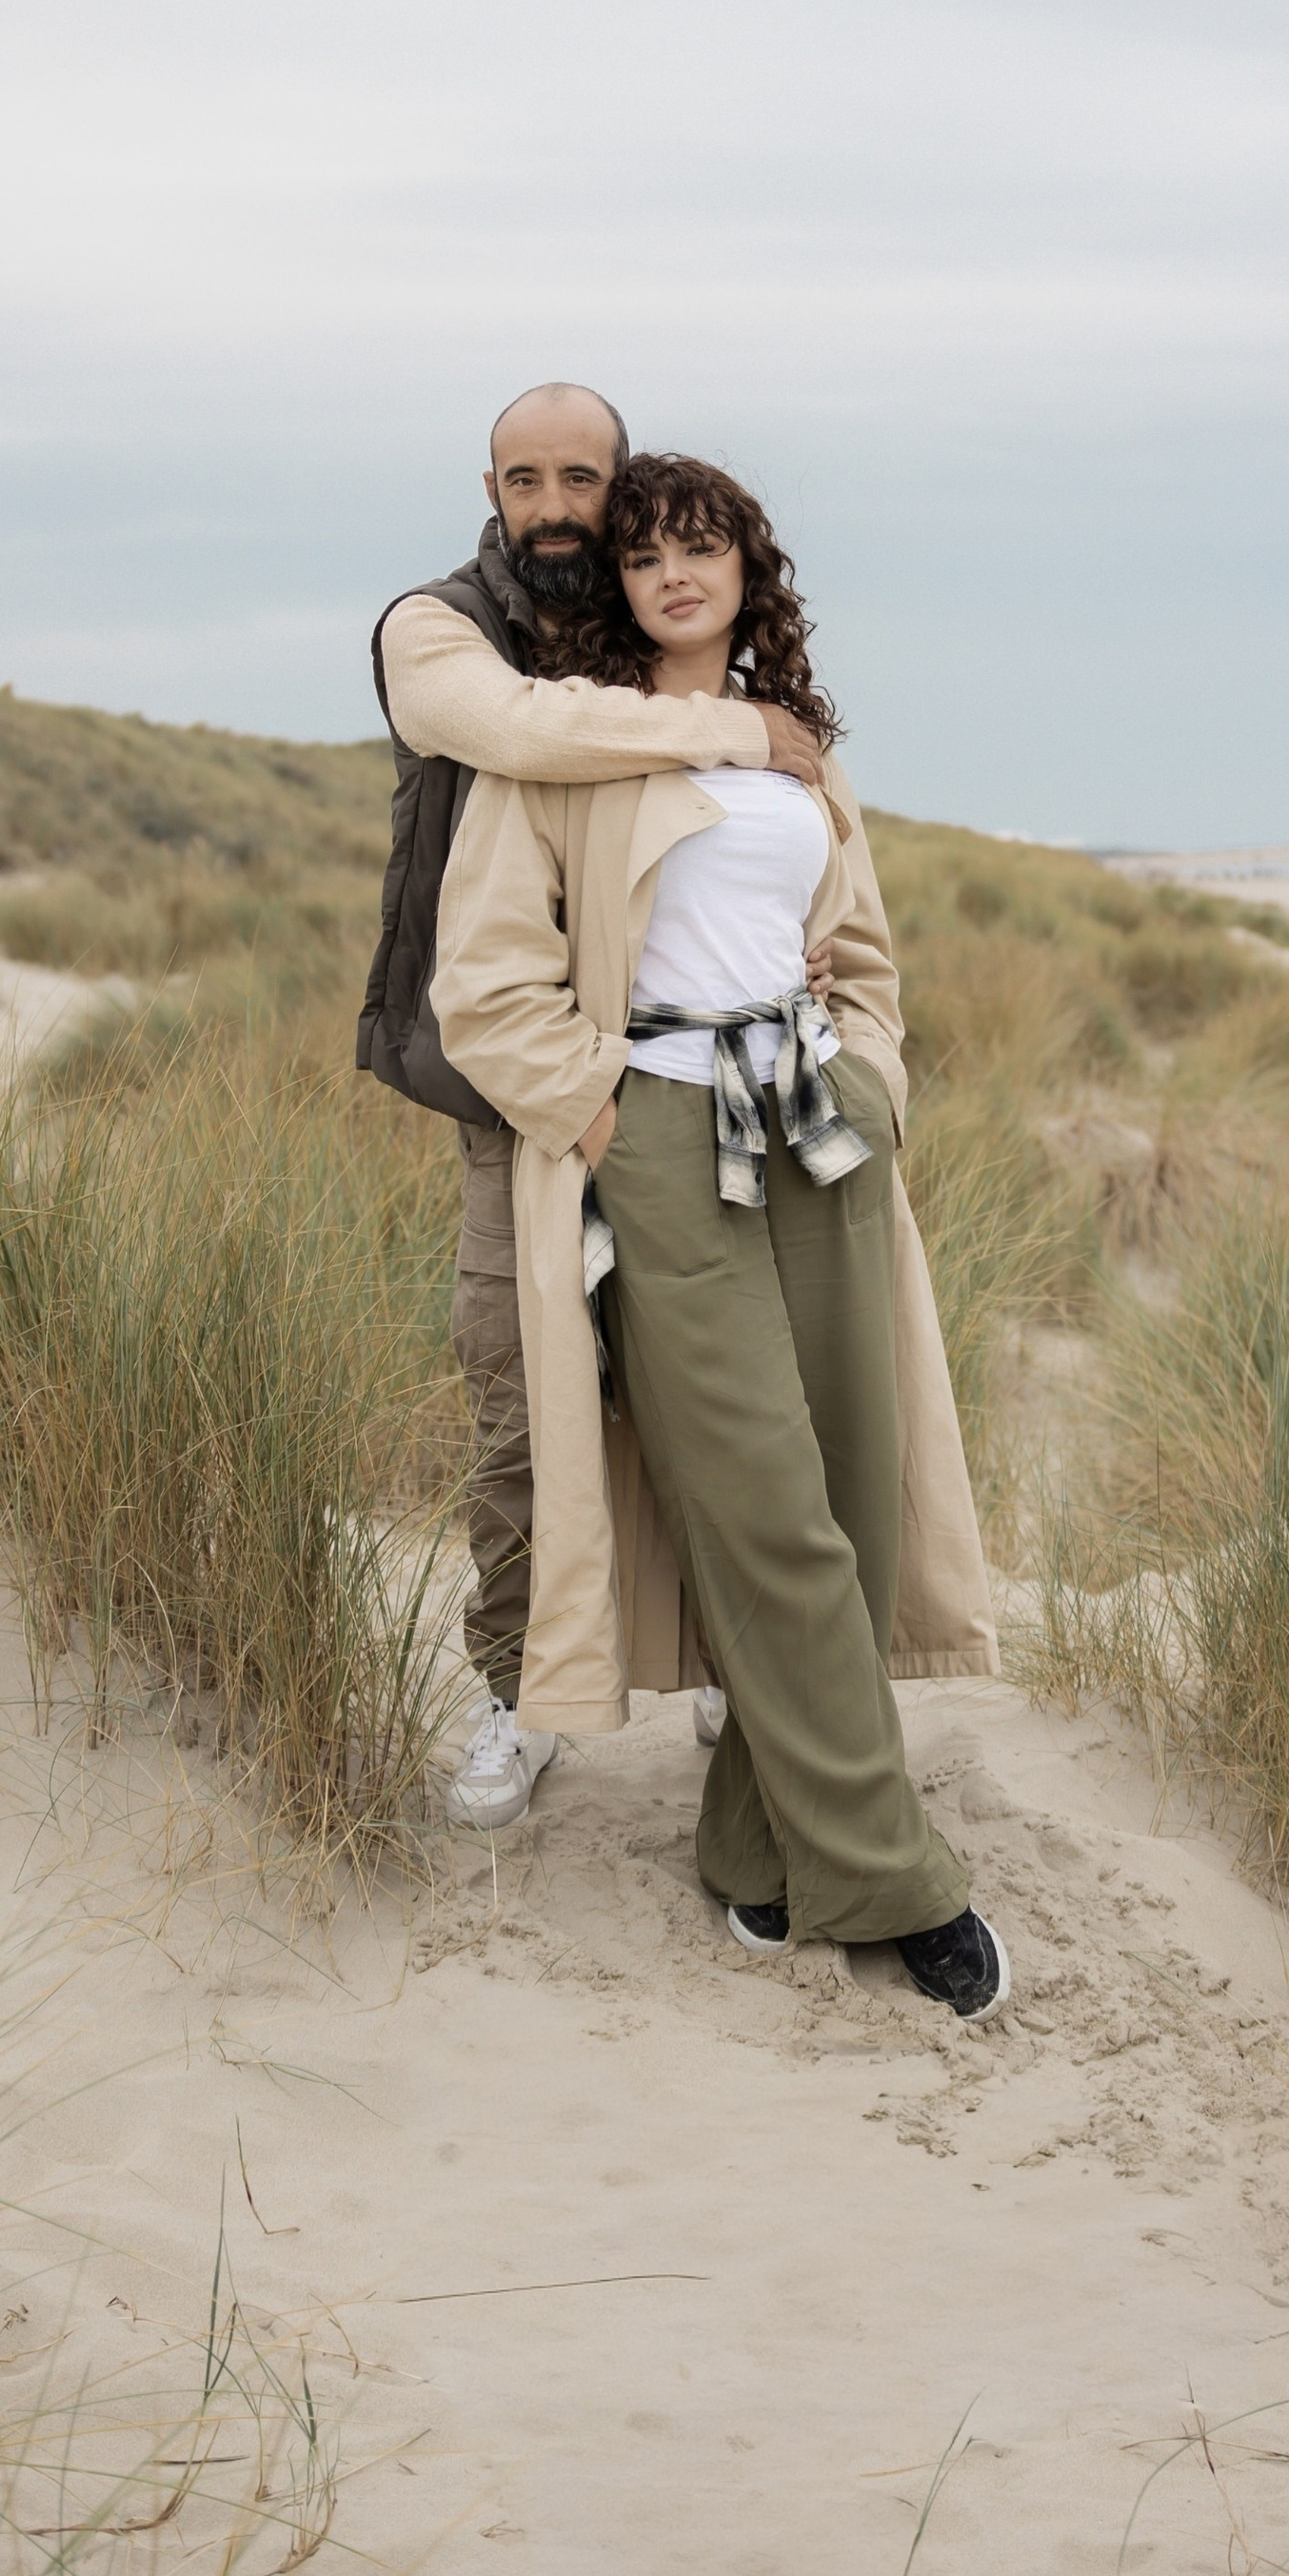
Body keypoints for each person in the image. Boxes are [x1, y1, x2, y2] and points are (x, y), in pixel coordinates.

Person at [429, 453, 1010, 2020]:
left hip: (815, 1126)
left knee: (852, 1495)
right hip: (667, 1136)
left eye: (706, 547)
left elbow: (868, 958)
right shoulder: (563, 751)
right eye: (645, 554)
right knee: (766, 1510)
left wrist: (874, 1085)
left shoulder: (803, 760)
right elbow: (480, 988)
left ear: (750, 569)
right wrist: (608, 1119)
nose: (675, 574)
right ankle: (898, 1879)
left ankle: (756, 1840)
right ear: (614, 585)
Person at [361, 384, 832, 1830]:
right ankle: (517, 1694)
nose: (554, 506)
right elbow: (515, 732)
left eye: (583, 480)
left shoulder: (644, 628)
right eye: (525, 478)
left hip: (698, 1075)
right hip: (519, 1092)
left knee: (714, 1387)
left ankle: (713, 1663)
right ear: (489, 487)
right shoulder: (435, 628)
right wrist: (744, 735)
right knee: (521, 1392)